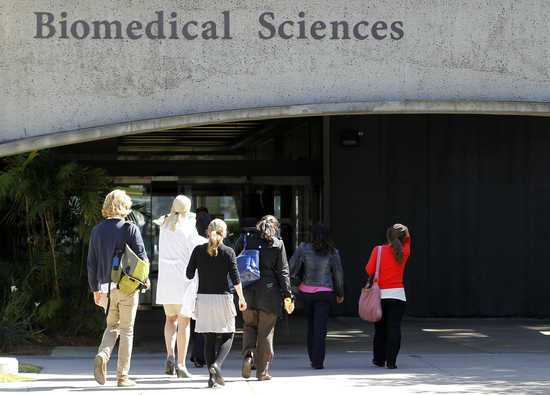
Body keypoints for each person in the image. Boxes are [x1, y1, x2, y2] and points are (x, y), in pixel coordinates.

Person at [87, 189, 150, 387]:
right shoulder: (129, 228)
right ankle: (122, 376)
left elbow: (91, 263)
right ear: (125, 206)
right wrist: (145, 279)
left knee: (111, 326)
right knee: (127, 330)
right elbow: (142, 258)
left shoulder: (96, 230)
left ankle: (103, 354)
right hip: (128, 287)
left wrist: (95, 289)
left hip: (105, 288)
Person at [186, 218, 247, 388]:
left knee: (209, 338)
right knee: (229, 334)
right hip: (223, 297)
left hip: (203, 298)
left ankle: (211, 378)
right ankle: (217, 365)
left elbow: (189, 274)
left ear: (207, 232)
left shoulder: (198, 250)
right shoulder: (228, 251)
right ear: (224, 233)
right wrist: (241, 298)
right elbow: (236, 278)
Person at [233, 215, 294, 381]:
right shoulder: (277, 243)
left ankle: (248, 354)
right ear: (275, 227)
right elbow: (283, 272)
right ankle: (262, 371)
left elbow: (233, 263)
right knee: (266, 331)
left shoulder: (245, 239)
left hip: (247, 290)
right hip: (269, 292)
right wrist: (288, 296)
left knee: (249, 325)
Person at [154, 195, 206, 378]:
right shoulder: (188, 227)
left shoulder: (164, 225)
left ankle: (169, 355)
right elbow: (197, 245)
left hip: (166, 279)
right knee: (184, 322)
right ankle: (181, 364)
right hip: (184, 280)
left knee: (170, 320)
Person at [289, 223, 344, 369]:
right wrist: (340, 293)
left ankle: (313, 357)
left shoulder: (303, 248)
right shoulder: (333, 252)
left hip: (306, 293)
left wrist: (291, 284)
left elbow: (291, 266)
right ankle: (318, 361)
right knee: (320, 328)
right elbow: (338, 275)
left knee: (311, 326)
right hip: (325, 293)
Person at [365, 223, 411, 369]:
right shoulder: (404, 252)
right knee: (394, 328)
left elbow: (368, 270)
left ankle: (379, 359)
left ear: (388, 237)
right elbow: (409, 241)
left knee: (380, 329)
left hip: (379, 295)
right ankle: (391, 362)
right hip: (398, 295)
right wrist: (407, 231)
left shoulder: (378, 250)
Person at [189, 207, 211, 369]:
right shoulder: (214, 244)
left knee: (195, 324)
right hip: (211, 289)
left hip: (192, 289)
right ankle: (202, 355)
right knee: (209, 326)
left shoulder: (192, 242)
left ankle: (197, 355)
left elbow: (189, 271)